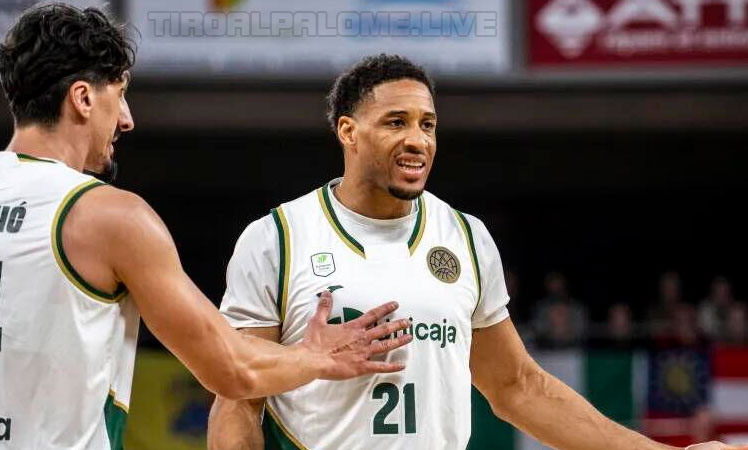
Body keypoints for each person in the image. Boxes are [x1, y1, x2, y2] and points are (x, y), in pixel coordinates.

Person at [0, 5, 412, 449]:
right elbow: (231, 369)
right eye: (120, 94)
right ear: (83, 98)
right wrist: (312, 356)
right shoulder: (105, 215)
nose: (127, 119)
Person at [206, 54, 745, 450]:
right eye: (396, 122)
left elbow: (517, 386)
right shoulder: (278, 236)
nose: (418, 140)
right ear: (348, 131)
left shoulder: (465, 235)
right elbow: (238, 397)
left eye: (427, 124)